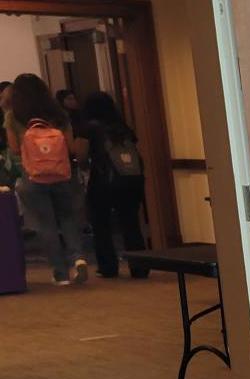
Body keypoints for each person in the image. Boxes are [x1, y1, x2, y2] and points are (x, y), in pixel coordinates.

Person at [5, 73, 89, 285]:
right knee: (68, 218)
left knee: (46, 224)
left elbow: (14, 148)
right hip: (62, 175)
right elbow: (70, 147)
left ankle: (60, 273)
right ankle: (78, 258)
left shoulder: (13, 116)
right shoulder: (58, 114)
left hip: (33, 177)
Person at [77, 92, 148, 279]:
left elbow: (82, 156)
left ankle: (108, 266)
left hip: (103, 181)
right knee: (131, 223)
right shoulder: (123, 127)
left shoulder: (88, 128)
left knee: (101, 225)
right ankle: (139, 266)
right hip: (131, 180)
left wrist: (84, 167)